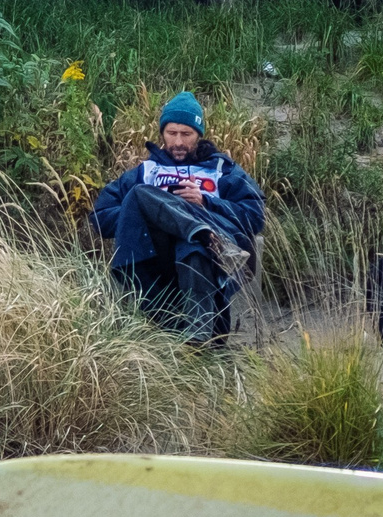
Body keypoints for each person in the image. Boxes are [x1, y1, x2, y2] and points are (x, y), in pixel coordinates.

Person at [90, 91, 263, 343]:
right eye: (172, 133)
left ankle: (197, 334)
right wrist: (150, 211)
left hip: (212, 257)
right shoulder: (146, 173)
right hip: (157, 254)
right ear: (162, 133)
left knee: (190, 244)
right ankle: (200, 231)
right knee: (140, 195)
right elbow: (100, 217)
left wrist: (205, 202)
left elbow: (255, 215)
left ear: (199, 134)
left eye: (187, 134)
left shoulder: (221, 170)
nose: (178, 142)